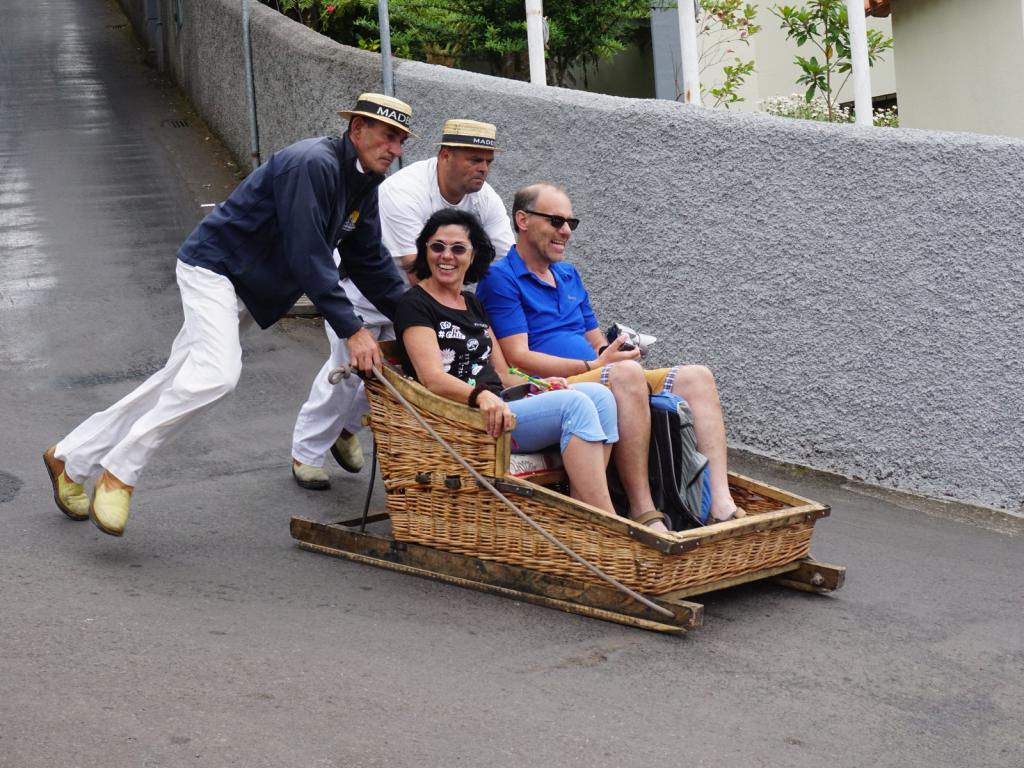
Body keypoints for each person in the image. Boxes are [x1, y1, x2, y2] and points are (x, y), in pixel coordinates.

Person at [43, 93, 414, 537]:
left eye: (401, 141)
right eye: (387, 136)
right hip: (214, 270)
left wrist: (417, 318)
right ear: (357, 130)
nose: (394, 149)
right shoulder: (312, 164)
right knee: (217, 375)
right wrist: (353, 329)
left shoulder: (363, 181)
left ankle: (71, 458)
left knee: (177, 381)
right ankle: (120, 471)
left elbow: (369, 260)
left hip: (246, 285)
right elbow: (308, 254)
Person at [475, 183, 743, 530]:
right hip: (551, 386)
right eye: (556, 221)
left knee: (697, 377)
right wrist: (596, 365)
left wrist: (612, 351)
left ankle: (720, 504)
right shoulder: (501, 278)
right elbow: (518, 358)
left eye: (571, 222)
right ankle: (643, 509)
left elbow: (594, 340)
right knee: (626, 373)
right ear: (523, 220)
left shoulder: (568, 274)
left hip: (597, 372)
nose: (566, 231)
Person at [290, 119, 515, 490]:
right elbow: (419, 270)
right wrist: (449, 317)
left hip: (416, 302)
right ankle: (306, 453)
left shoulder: (485, 198)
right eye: (474, 160)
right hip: (363, 295)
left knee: (400, 378)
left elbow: (506, 263)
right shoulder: (405, 190)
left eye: (488, 161)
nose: (483, 169)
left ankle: (345, 429)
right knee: (349, 373)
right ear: (446, 156)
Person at [396, 209, 619, 515]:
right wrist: (480, 396)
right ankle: (607, 520)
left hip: (499, 405)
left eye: (458, 248)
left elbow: (501, 373)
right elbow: (431, 378)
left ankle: (582, 513)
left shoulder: (471, 303)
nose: (446, 256)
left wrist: (539, 385)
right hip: (462, 417)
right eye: (437, 247)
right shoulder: (415, 304)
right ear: (425, 251)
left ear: (473, 255)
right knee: (574, 405)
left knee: (601, 396)